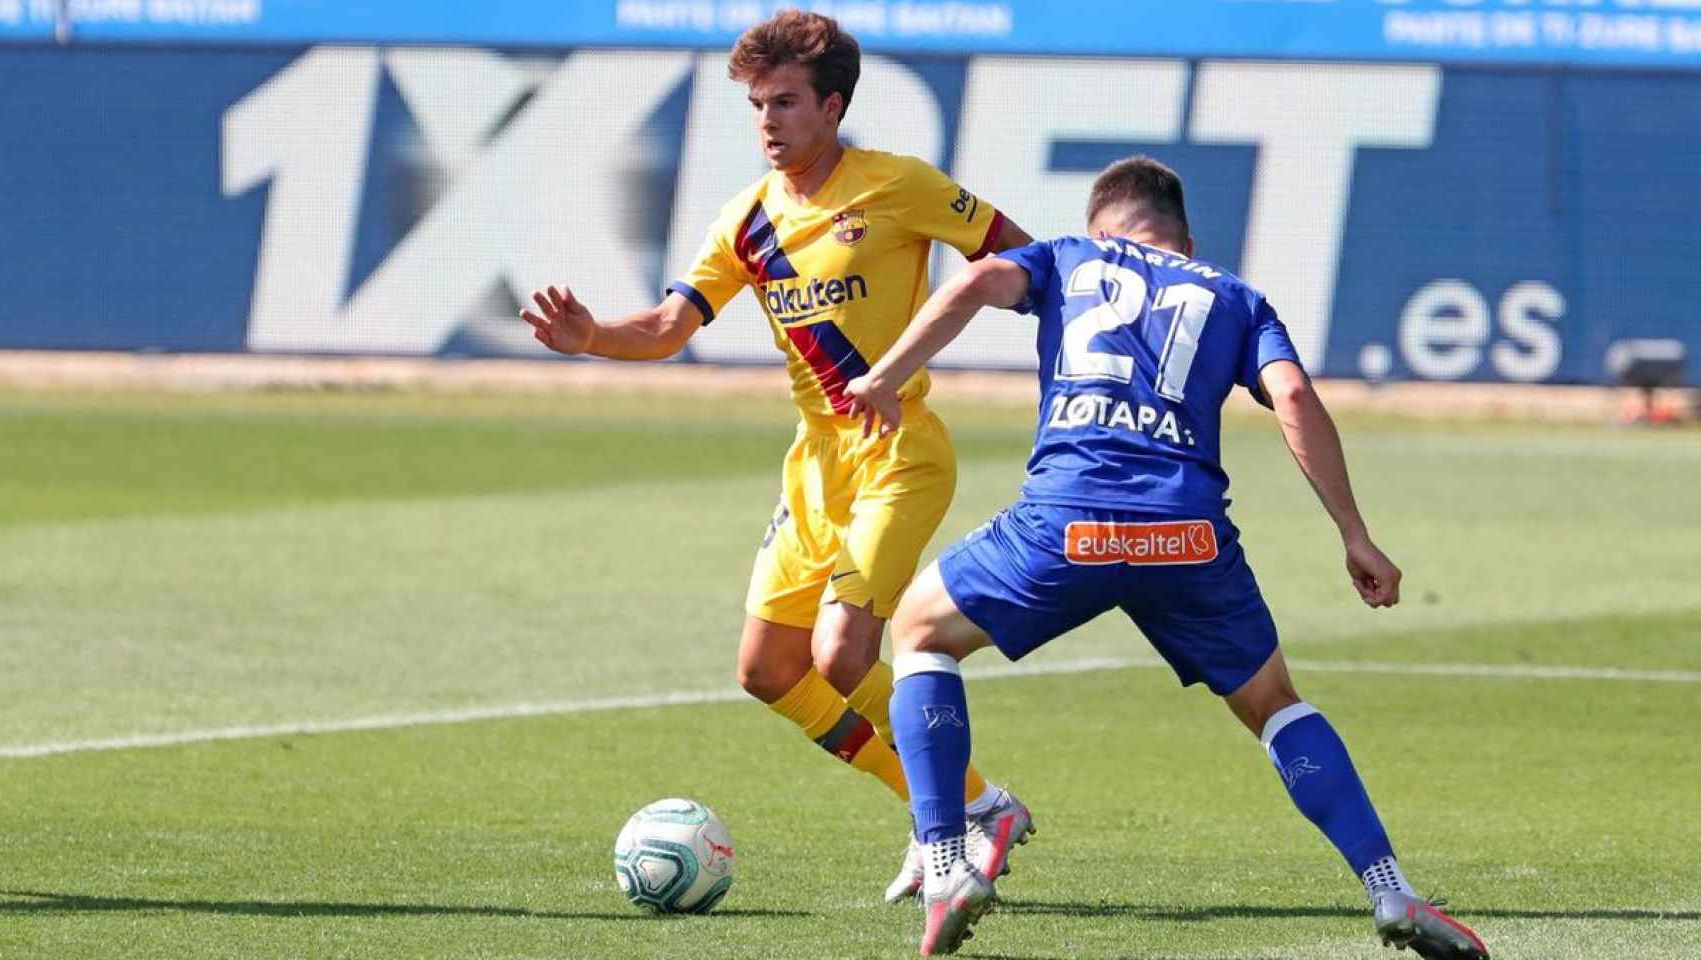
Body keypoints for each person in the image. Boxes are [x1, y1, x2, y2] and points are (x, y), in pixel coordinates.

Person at [844, 155, 1491, 959]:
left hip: (1068, 525)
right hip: (1187, 537)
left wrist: (884, 376)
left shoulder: (1065, 257)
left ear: (1101, 225)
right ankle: (1390, 889)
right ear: (1184, 237)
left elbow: (976, 285)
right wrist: (1353, 533)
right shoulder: (1236, 296)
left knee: (918, 631)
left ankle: (946, 863)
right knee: (1275, 703)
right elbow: (1291, 396)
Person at [519, 10, 1035, 899]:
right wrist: (592, 335)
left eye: (785, 102)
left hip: (898, 452)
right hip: (814, 466)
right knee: (767, 671)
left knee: (842, 657)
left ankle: (952, 815)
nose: (766, 120)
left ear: (833, 106)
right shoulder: (747, 221)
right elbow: (669, 326)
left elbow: (1024, 259)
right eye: (758, 104)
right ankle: (974, 804)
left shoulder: (898, 185)